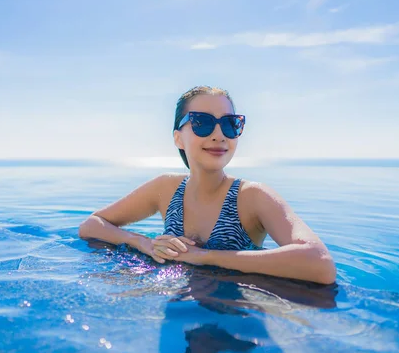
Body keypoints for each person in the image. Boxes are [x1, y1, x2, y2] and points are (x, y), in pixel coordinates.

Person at [78, 85, 336, 285]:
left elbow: (320, 264)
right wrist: (143, 243)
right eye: (202, 122)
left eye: (229, 123)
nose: (219, 134)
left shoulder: (252, 197)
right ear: (178, 138)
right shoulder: (165, 189)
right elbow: (91, 225)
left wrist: (205, 257)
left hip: (237, 324)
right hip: (179, 306)